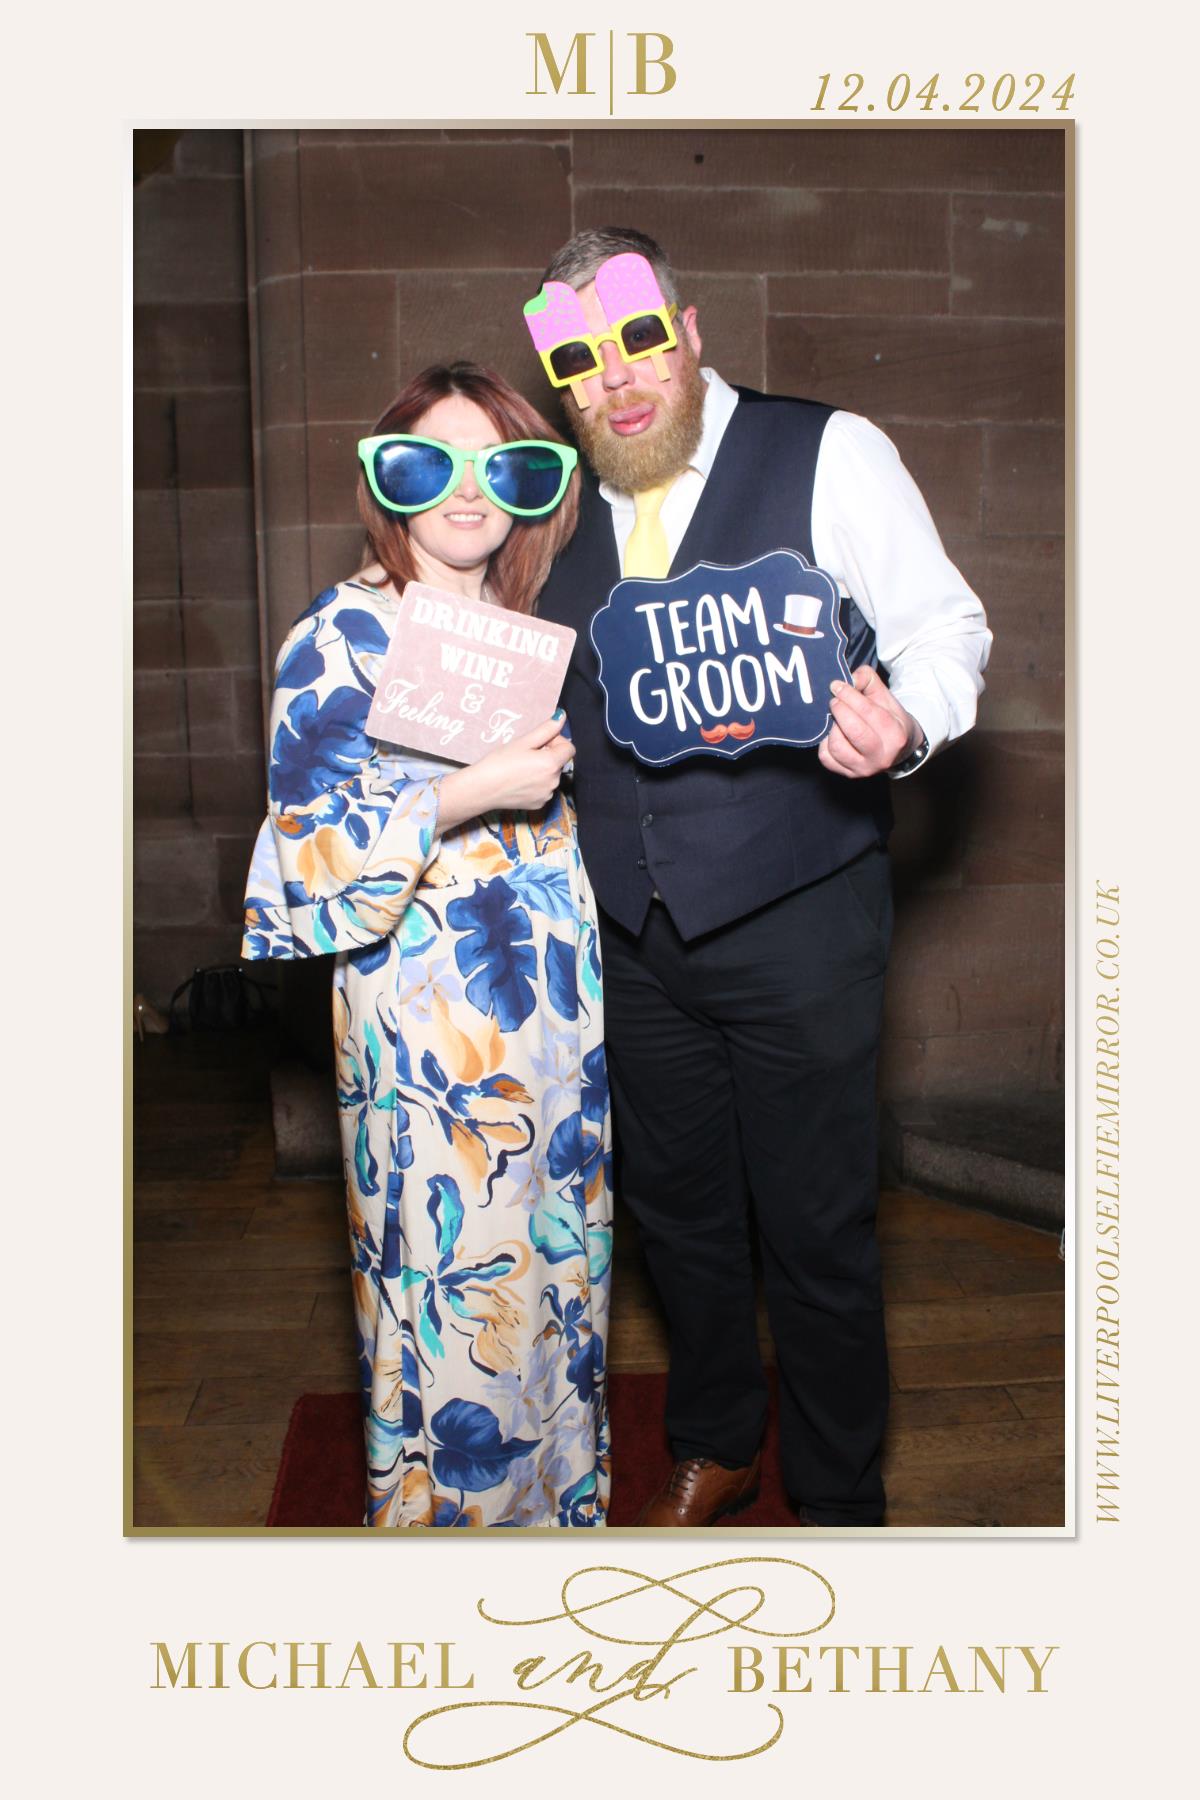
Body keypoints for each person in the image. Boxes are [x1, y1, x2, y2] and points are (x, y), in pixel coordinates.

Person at [523, 227, 992, 1528]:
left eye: (637, 340)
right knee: (675, 1215)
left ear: (688, 330)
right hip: (633, 934)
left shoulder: (828, 451)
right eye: (579, 363)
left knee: (816, 1227)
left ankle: (840, 1495)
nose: (617, 382)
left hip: (798, 918)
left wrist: (906, 721)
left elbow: (945, 627)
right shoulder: (557, 502)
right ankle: (718, 1440)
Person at [241, 363, 612, 1529]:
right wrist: (465, 793)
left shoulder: (521, 633)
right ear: (386, 482)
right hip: (430, 1034)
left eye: (500, 465)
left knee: (556, 1269)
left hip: (551, 1018)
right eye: (429, 462)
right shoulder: (341, 633)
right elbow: (303, 849)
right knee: (454, 1290)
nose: (466, 491)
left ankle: (555, 1524)